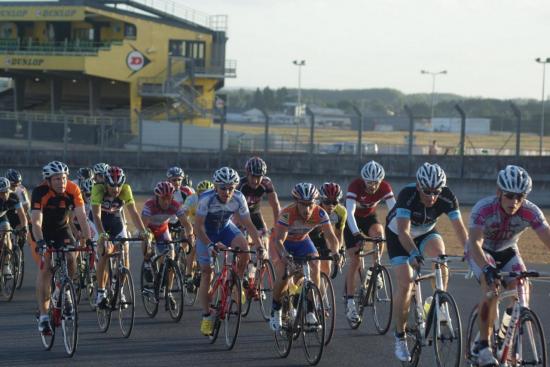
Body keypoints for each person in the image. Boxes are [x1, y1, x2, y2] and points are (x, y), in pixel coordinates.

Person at [465, 165, 550, 367]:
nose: (514, 202)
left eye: (520, 197)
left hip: (508, 251)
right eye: (509, 196)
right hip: (481, 251)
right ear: (498, 192)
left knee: (522, 292)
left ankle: (505, 335)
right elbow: (474, 242)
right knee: (491, 287)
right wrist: (486, 267)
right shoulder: (483, 208)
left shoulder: (530, 211)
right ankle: (483, 346)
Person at [385, 162, 467, 362]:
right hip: (399, 234)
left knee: (440, 258)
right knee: (406, 284)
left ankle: (439, 304)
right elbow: (404, 232)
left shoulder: (447, 197)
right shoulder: (408, 194)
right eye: (427, 191)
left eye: (436, 192)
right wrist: (413, 253)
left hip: (426, 231)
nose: (431, 197)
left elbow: (459, 229)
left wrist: (469, 250)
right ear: (418, 186)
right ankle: (400, 336)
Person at [194, 167, 264, 336]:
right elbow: (198, 227)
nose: (227, 192)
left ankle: (236, 281)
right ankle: (206, 316)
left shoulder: (239, 198)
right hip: (206, 233)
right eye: (223, 188)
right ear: (216, 187)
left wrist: (260, 246)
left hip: (226, 229)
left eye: (231, 188)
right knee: (206, 273)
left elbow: (249, 225)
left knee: (245, 251)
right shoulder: (206, 199)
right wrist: (210, 245)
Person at [269, 183, 339, 331]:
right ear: (296, 202)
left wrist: (336, 252)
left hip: (302, 241)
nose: (307, 209)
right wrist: (285, 256)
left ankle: (310, 310)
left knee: (315, 264)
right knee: (284, 275)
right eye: (303, 205)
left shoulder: (320, 213)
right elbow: (279, 240)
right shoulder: (287, 213)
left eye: (310, 205)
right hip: (282, 243)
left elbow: (331, 237)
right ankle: (276, 309)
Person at [31, 161, 91, 334]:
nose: (61, 182)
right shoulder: (39, 191)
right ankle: (43, 316)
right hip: (41, 232)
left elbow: (81, 217)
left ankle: (63, 289)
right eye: (57, 179)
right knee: (46, 267)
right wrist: (41, 243)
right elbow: (36, 221)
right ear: (48, 181)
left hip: (62, 228)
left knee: (72, 257)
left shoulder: (73, 189)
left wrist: (87, 239)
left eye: (64, 178)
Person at [344, 160, 395, 324]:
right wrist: (356, 233)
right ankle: (350, 303)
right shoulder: (355, 186)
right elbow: (349, 213)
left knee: (379, 235)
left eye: (376, 183)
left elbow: (394, 210)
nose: (373, 186)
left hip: (369, 219)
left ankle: (375, 270)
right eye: (369, 183)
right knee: (355, 261)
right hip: (353, 221)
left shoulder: (385, 187)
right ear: (363, 180)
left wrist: (396, 231)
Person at [91, 166, 150, 308]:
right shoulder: (98, 189)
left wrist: (143, 231)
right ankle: (101, 292)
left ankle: (120, 291)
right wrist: (102, 235)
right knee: (104, 252)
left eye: (119, 185)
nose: (116, 189)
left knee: (124, 254)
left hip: (116, 221)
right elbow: (96, 215)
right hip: (99, 222)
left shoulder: (126, 189)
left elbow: (134, 213)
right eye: (112, 186)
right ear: (106, 182)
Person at [141, 181, 190, 311]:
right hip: (150, 229)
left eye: (169, 198)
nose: (167, 201)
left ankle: (168, 292)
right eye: (163, 198)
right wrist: (147, 242)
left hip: (163, 229)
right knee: (147, 239)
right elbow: (143, 228)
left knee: (171, 257)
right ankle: (147, 262)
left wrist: (189, 235)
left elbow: (186, 223)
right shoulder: (149, 205)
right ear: (157, 197)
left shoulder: (175, 205)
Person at [236, 157, 280, 238]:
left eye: (258, 177)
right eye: (253, 176)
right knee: (243, 238)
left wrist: (278, 225)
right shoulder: (240, 185)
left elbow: (275, 204)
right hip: (239, 214)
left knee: (264, 239)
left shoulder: (266, 183)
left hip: (255, 213)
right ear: (247, 174)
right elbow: (234, 209)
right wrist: (242, 227)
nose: (255, 181)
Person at [181, 180, 214, 288]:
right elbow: (184, 212)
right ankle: (188, 274)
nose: (204, 196)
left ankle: (202, 269)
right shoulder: (192, 198)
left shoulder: (213, 200)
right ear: (198, 193)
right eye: (202, 193)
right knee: (193, 247)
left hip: (206, 226)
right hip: (193, 224)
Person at [309, 182, 346, 277]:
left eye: (334, 202)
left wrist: (338, 251)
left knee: (326, 268)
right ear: (321, 200)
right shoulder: (312, 209)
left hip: (322, 236)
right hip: (307, 235)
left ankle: (322, 292)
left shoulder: (341, 212)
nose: (331, 206)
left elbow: (338, 234)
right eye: (327, 202)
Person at [0, 177, 28, 277]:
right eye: (0, 193)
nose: (3, 195)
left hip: (2, 216)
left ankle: (6, 265)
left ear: (9, 190)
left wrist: (24, 228)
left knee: (7, 233)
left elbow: (22, 214)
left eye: (5, 192)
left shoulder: (14, 197)